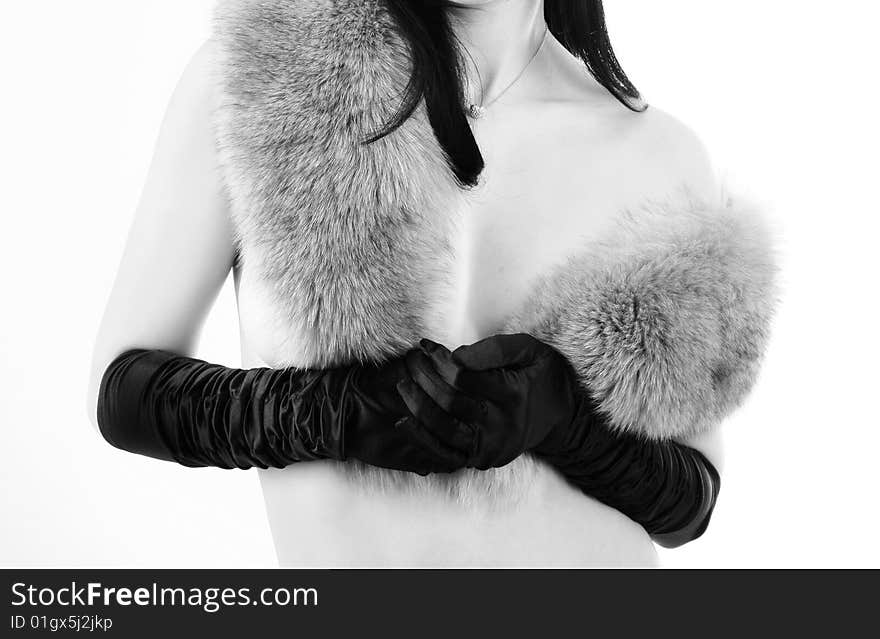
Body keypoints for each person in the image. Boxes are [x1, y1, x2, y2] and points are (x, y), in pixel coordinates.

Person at [88, 0, 776, 566]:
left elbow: (690, 503)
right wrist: (338, 413)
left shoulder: (656, 155)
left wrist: (564, 418)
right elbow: (123, 392)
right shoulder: (264, 77)